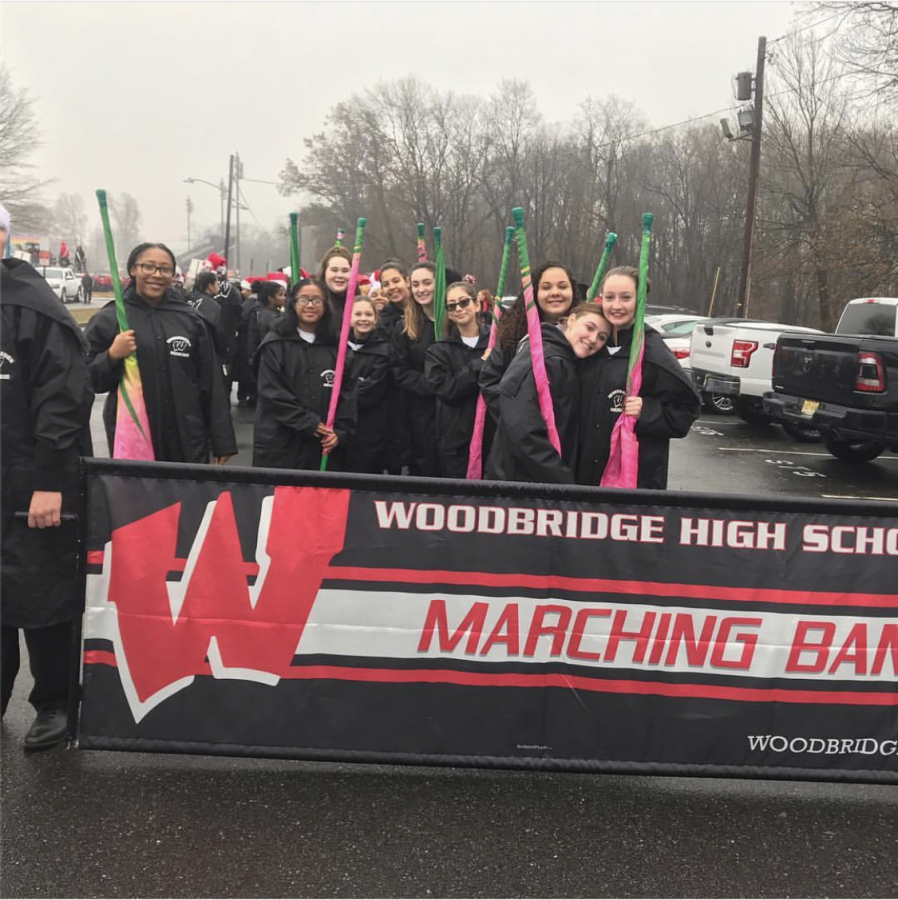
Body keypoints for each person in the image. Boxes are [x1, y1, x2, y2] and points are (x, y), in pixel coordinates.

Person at [1, 206, 95, 750]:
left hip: (27, 478)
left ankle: (55, 703)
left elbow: (63, 398)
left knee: (41, 593)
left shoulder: (32, 306)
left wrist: (49, 481)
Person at [84, 242, 237, 464]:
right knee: (137, 496)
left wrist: (222, 440)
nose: (157, 275)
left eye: (164, 269)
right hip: (133, 435)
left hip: (187, 436)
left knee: (188, 495)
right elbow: (84, 378)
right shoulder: (112, 317)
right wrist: (111, 356)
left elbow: (211, 382)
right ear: (133, 269)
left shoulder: (189, 320)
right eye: (148, 267)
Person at [575, 266, 701, 488]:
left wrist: (648, 410)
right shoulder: (589, 344)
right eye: (610, 297)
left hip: (635, 478)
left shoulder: (652, 351)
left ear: (640, 299)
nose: (616, 306)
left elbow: (686, 411)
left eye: (626, 298)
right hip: (584, 474)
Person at [486, 303, 611, 484]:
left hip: (535, 478)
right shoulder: (546, 358)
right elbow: (522, 428)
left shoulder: (566, 360)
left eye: (602, 337)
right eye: (589, 327)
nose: (593, 339)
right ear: (572, 320)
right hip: (522, 483)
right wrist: (561, 478)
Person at [253, 277, 356, 471]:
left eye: (317, 300)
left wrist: (340, 432)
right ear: (293, 303)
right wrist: (308, 422)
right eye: (304, 299)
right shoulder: (275, 343)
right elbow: (271, 393)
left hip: (322, 448)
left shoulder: (338, 348)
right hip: (281, 446)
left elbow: (348, 395)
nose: (310, 305)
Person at [479, 260, 579, 418]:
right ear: (534, 293)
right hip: (524, 430)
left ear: (572, 290)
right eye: (546, 287)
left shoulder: (586, 335)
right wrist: (520, 419)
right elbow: (491, 381)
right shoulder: (513, 335)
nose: (555, 292)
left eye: (562, 286)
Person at [425, 281, 492, 478]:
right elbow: (447, 390)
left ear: (477, 305)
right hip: (457, 441)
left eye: (464, 302)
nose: (459, 309)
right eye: (452, 306)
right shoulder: (439, 350)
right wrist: (479, 364)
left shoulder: (496, 342)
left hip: (493, 435)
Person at [391, 261, 439, 477]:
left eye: (427, 283)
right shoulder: (404, 327)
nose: (422, 289)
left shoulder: (455, 321)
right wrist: (432, 385)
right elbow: (399, 370)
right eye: (416, 284)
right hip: (420, 412)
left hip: (455, 412)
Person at [344, 296, 391, 474]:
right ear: (349, 317)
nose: (363, 318)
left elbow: (374, 387)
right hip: (343, 424)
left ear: (375, 319)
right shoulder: (339, 347)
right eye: (358, 314)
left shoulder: (383, 350)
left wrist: (346, 396)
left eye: (368, 314)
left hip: (370, 425)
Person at [235, 280, 284, 408]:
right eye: (280, 295)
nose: (284, 298)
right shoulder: (269, 316)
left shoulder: (257, 310)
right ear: (270, 298)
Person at [186, 269, 226, 366]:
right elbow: (217, 333)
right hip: (204, 352)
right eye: (217, 283)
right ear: (209, 286)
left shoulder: (186, 298)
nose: (219, 286)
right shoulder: (213, 306)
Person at [316, 245, 353, 325]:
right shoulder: (316, 304)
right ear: (324, 272)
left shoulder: (358, 303)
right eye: (334, 270)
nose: (340, 275)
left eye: (345, 270)